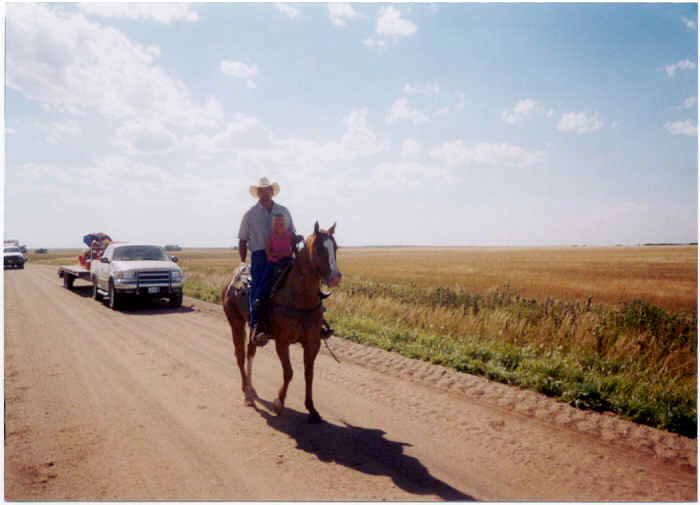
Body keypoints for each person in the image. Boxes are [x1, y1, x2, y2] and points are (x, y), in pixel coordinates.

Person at [238, 177, 299, 344]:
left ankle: (308, 319)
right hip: (259, 256)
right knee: (258, 289)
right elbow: (242, 240)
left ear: (272, 192)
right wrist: (243, 262)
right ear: (258, 193)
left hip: (284, 255)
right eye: (262, 191)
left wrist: (293, 249)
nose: (265, 193)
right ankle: (257, 325)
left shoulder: (284, 211)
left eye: (268, 190)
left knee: (299, 282)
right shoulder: (249, 214)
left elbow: (292, 233)